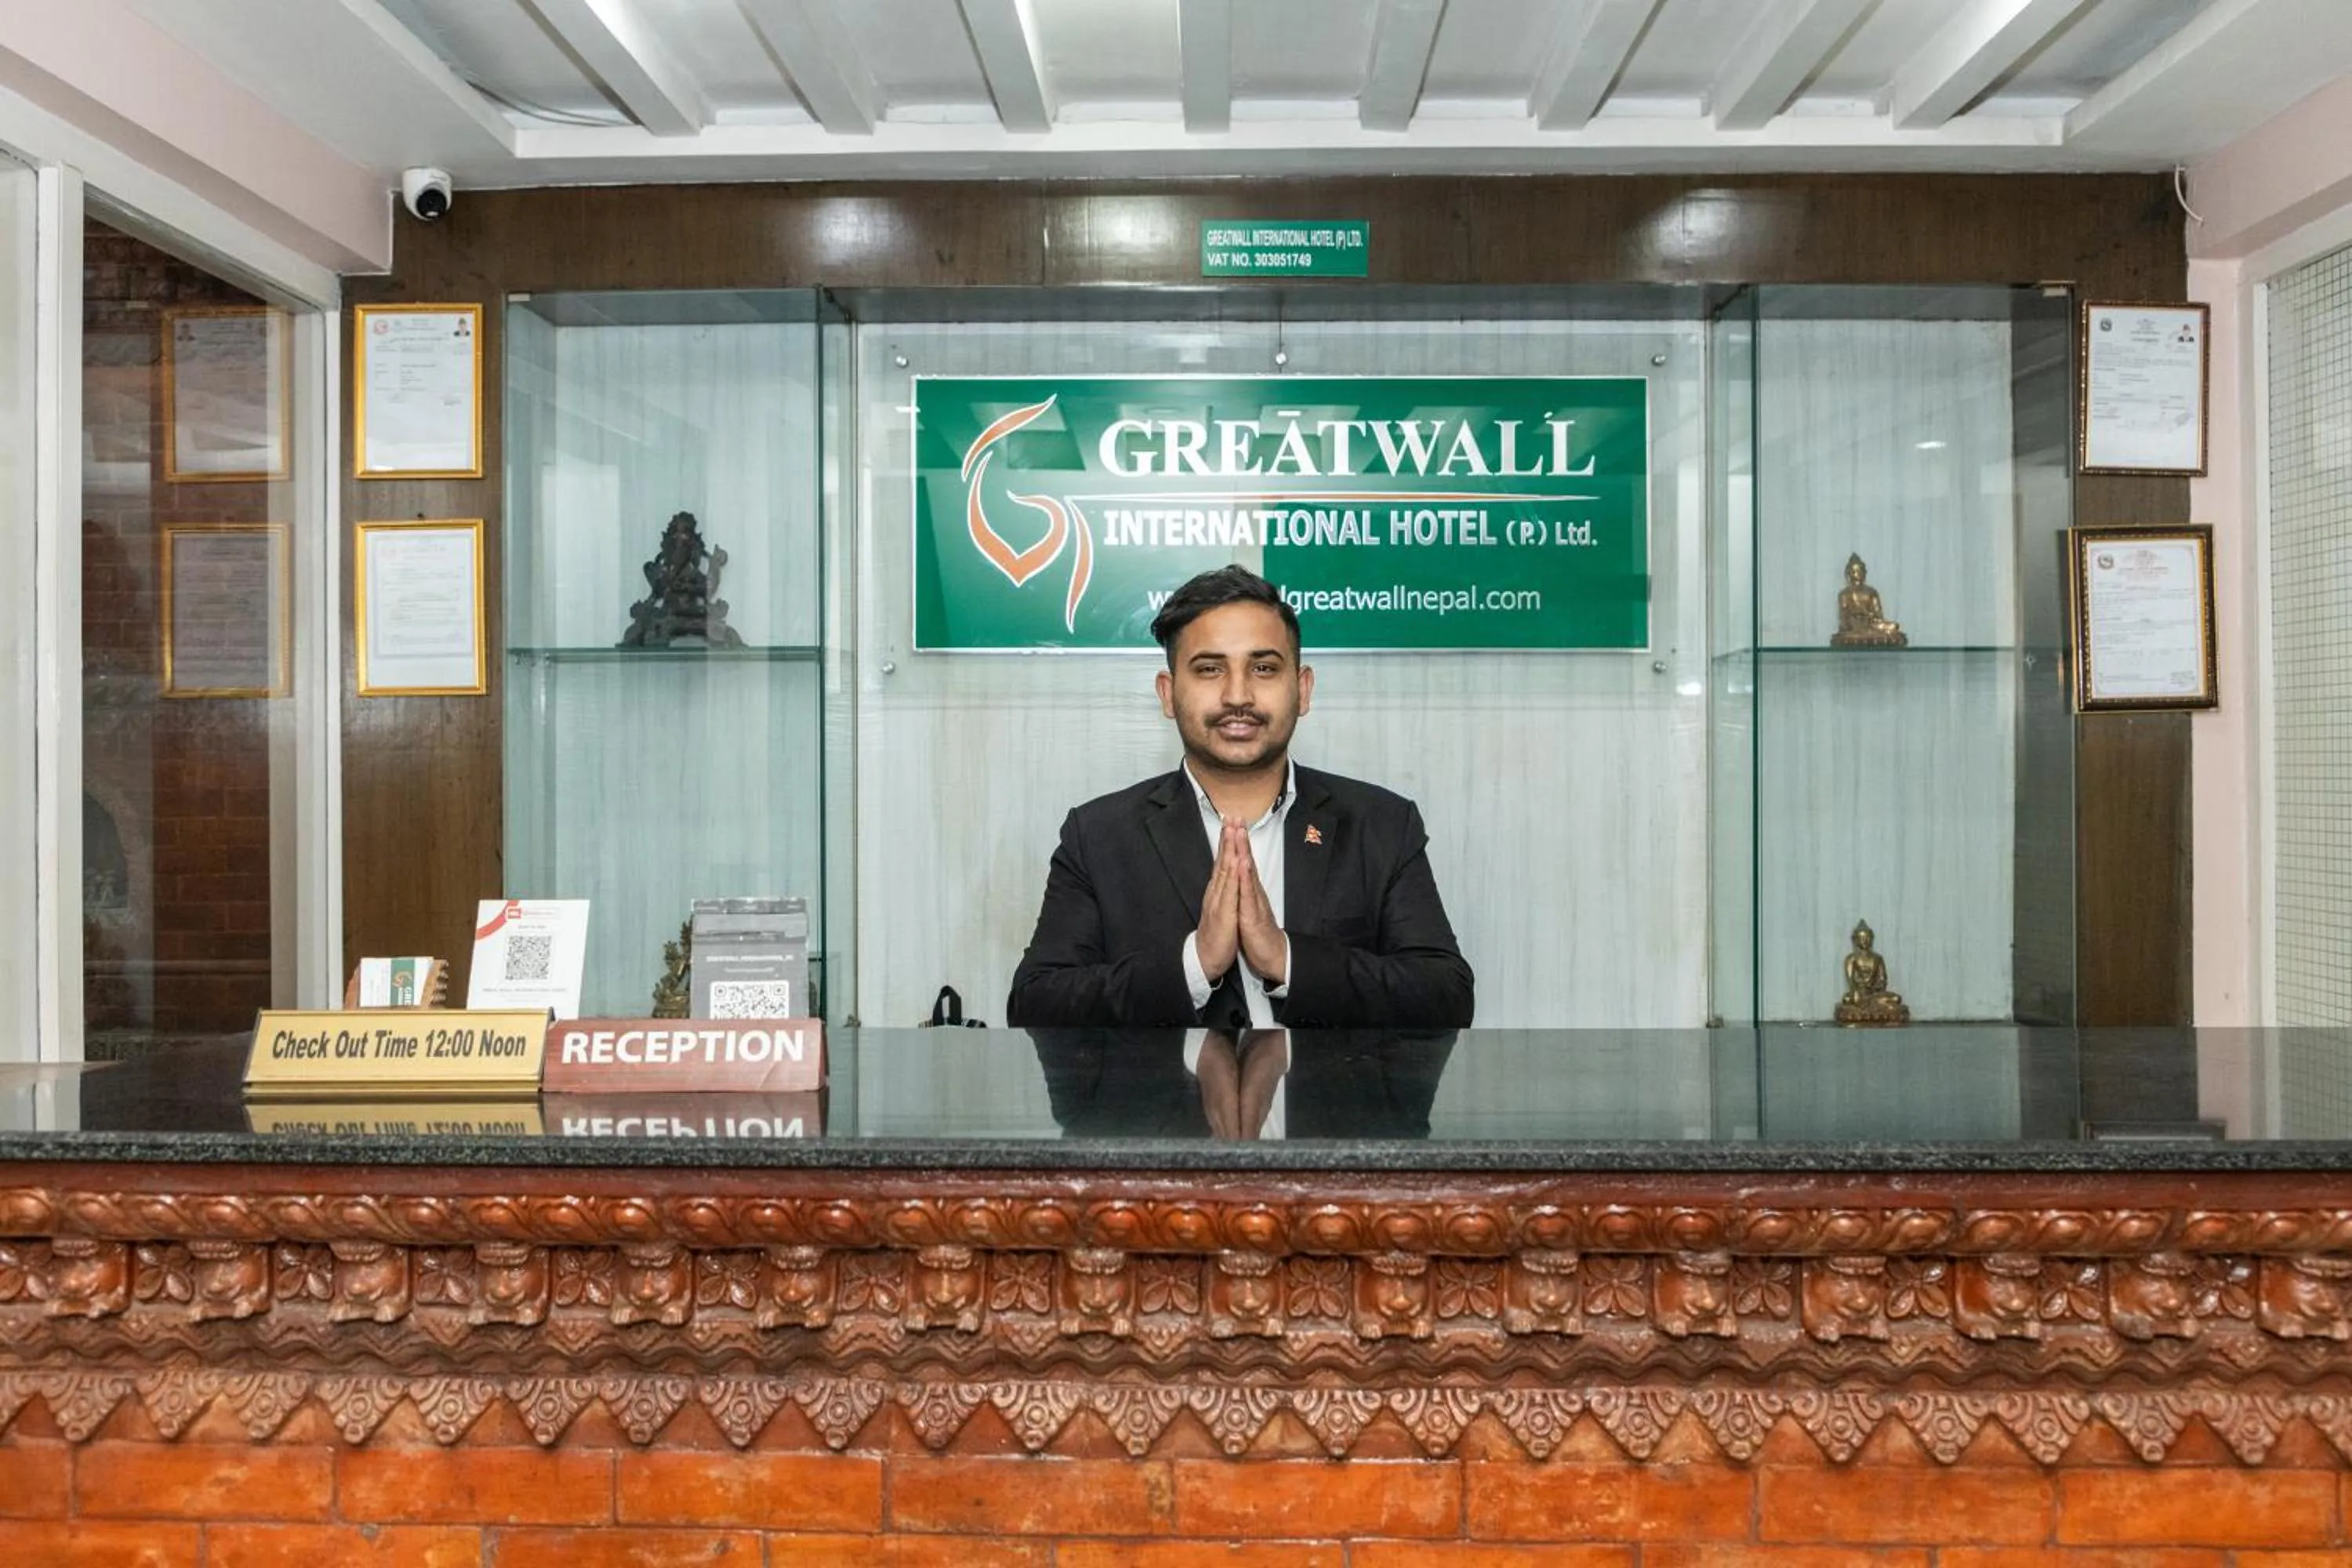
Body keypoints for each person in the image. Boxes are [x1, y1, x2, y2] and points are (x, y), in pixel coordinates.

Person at [1007, 564, 1474, 1029]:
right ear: (1168, 695)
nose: (1238, 695)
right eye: (1210, 669)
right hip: (1166, 1104)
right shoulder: (1098, 835)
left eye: (1264, 668)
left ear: (1302, 688)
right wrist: (1195, 964)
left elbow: (1446, 994)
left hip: (1332, 1103)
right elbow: (1035, 1003)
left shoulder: (1382, 825)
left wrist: (1286, 959)